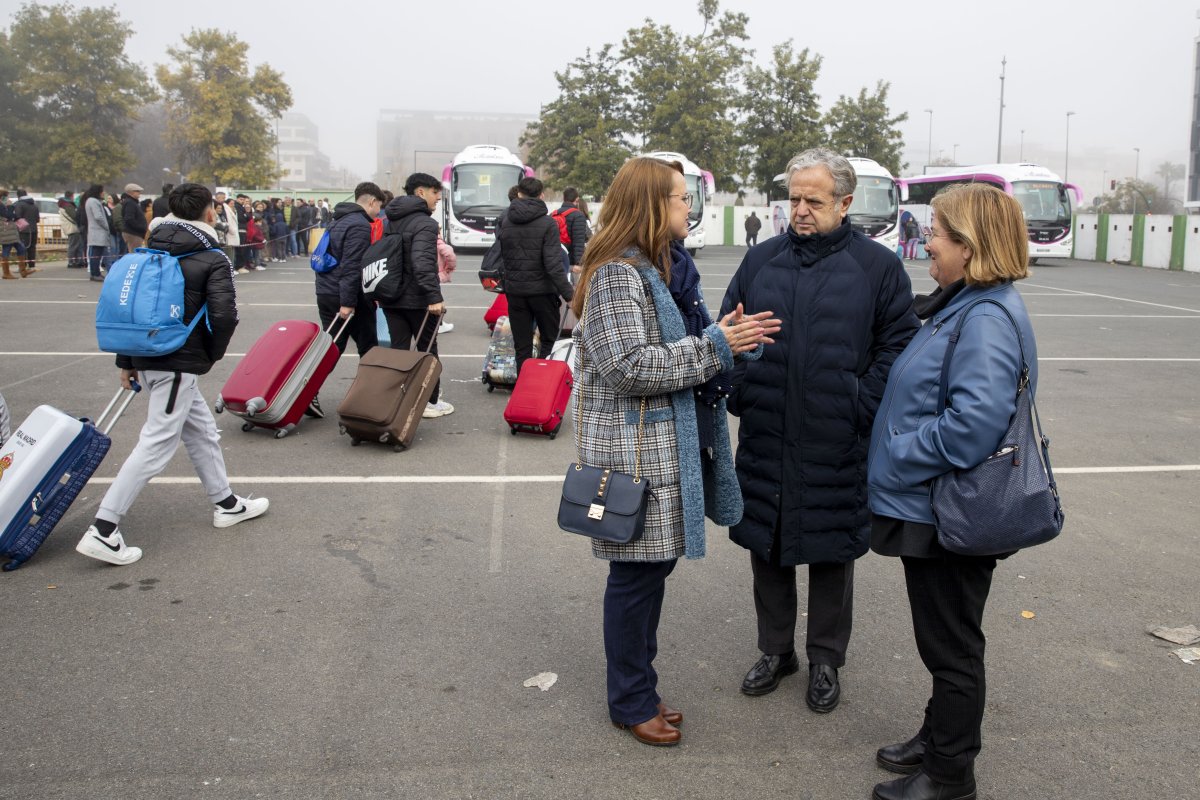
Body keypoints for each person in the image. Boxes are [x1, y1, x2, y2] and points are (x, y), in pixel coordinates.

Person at [572, 156, 781, 747]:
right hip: (635, 455)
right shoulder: (618, 273)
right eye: (680, 198)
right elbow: (625, 367)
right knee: (635, 578)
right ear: (649, 205)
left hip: (660, 451)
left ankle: (640, 687)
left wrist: (733, 342)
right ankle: (630, 700)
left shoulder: (662, 268)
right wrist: (717, 343)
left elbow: (678, 349)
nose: (689, 207)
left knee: (649, 572)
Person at [720, 148, 918, 713]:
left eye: (814, 200)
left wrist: (861, 403)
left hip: (838, 436)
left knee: (833, 552)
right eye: (794, 199)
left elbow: (899, 345)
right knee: (769, 544)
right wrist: (742, 389)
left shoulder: (877, 269)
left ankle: (826, 658)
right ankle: (775, 651)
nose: (801, 210)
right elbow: (728, 329)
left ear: (845, 203)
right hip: (767, 430)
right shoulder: (761, 262)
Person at [865, 184, 1037, 800]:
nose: (926, 244)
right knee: (946, 640)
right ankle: (938, 738)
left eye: (935, 233)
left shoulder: (986, 318)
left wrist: (896, 450)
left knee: (952, 649)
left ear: (969, 246)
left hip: (949, 513)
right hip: (937, 506)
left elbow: (972, 428)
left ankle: (949, 777)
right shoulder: (969, 303)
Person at [75, 183, 269, 566]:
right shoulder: (212, 257)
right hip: (176, 363)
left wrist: (125, 362)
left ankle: (226, 503)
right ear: (209, 213)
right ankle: (104, 528)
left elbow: (128, 310)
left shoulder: (149, 248)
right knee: (157, 443)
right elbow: (225, 316)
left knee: (201, 432)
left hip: (148, 355)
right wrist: (208, 357)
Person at [376, 173, 454, 419]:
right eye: (435, 194)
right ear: (420, 192)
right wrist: (434, 297)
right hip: (418, 298)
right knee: (428, 349)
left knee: (399, 350)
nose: (437, 199)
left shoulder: (389, 219)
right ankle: (429, 401)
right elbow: (422, 263)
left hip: (391, 296)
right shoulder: (425, 223)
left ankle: (397, 397)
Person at [308, 181, 386, 418]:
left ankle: (305, 391)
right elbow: (353, 266)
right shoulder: (359, 225)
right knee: (368, 345)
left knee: (332, 346)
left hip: (326, 291)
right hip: (347, 296)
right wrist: (348, 303)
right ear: (371, 201)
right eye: (378, 207)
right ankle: (371, 396)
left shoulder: (338, 220)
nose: (378, 212)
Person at [497, 176, 575, 376]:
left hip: (515, 292)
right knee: (548, 341)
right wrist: (570, 295)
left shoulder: (505, 220)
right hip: (543, 292)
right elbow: (552, 264)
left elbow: (502, 256)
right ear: (541, 195)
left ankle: (523, 387)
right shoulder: (548, 223)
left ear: (520, 194)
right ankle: (542, 384)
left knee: (521, 344)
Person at [554, 186, 590, 270]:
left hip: (555, 258)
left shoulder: (553, 214)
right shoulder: (578, 215)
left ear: (564, 198)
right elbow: (578, 242)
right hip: (570, 261)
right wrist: (579, 263)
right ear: (577, 199)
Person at [82, 184, 112, 282]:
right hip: (97, 232)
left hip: (96, 232)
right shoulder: (94, 202)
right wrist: (106, 226)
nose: (104, 193)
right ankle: (95, 274)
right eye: (102, 191)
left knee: (97, 255)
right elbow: (98, 217)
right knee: (96, 255)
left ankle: (96, 273)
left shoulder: (90, 201)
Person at [0, 191, 31, 279]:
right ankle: (6, 273)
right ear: (2, 197)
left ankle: (23, 271)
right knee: (6, 250)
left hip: (10, 232)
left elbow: (12, 216)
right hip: (5, 232)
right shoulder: (1, 205)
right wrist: (10, 206)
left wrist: (15, 216)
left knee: (21, 248)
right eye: (6, 196)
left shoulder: (2, 205)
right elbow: (7, 215)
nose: (8, 198)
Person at [435, 225, 456, 334]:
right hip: (437, 274)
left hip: (425, 274)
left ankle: (439, 324)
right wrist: (450, 267)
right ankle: (439, 324)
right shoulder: (439, 242)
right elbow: (449, 254)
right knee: (437, 300)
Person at [12, 191, 39, 275]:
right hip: (34, 229)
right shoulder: (34, 204)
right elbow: (37, 219)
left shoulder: (19, 204)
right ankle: (31, 266)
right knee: (32, 248)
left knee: (22, 248)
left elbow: (17, 217)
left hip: (23, 230)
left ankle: (22, 267)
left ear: (18, 196)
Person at [120, 183, 148, 254]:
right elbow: (129, 219)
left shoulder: (132, 202)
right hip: (133, 233)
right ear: (131, 192)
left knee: (135, 253)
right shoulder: (130, 203)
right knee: (134, 254)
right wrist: (141, 228)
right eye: (137, 191)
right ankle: (133, 265)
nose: (139, 193)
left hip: (134, 233)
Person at [59, 196, 86, 268]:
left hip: (71, 229)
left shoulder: (64, 207)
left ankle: (78, 261)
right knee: (74, 246)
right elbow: (75, 216)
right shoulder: (68, 207)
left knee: (77, 246)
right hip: (73, 229)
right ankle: (72, 262)